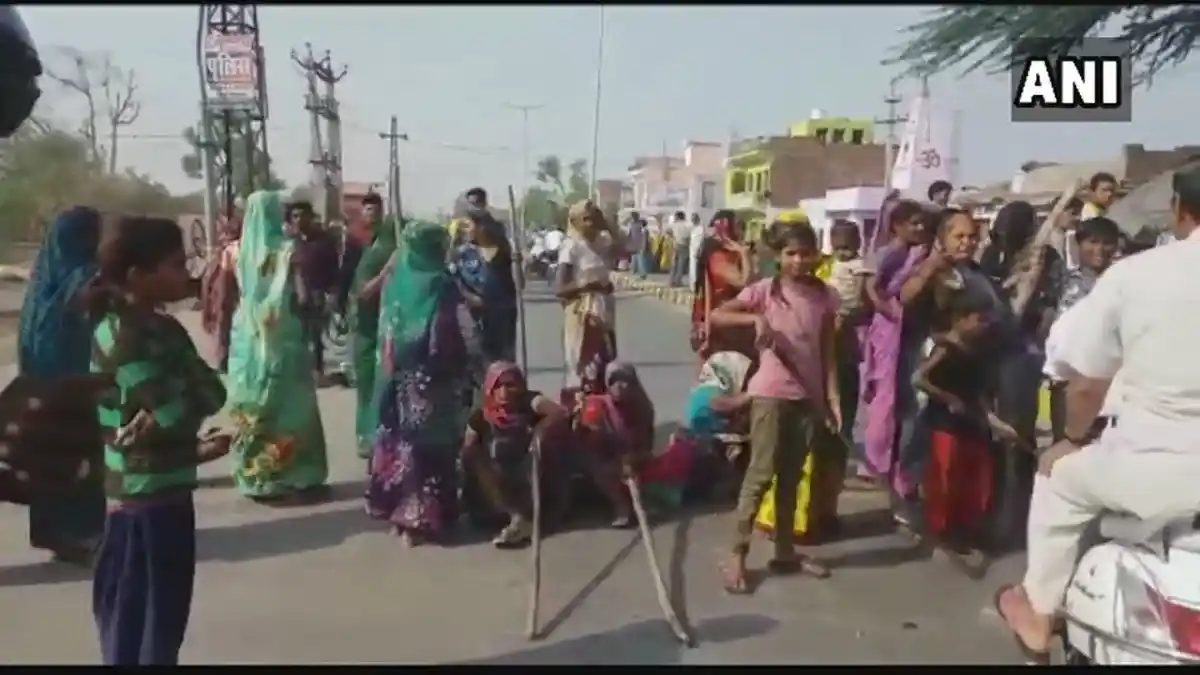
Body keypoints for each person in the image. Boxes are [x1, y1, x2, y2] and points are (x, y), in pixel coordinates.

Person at [994, 166, 1200, 662]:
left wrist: (1069, 439)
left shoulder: (1137, 275)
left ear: (1179, 212)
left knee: (1057, 477)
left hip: (1157, 472)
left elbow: (1086, 383)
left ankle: (1038, 611)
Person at [84, 215, 231, 665]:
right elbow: (174, 410)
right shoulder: (120, 335)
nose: (185, 272)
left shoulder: (163, 328)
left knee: (164, 622)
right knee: (136, 625)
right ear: (137, 276)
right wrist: (174, 412)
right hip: (138, 500)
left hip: (170, 488)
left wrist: (171, 409)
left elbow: (213, 392)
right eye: (173, 264)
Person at [711, 219, 840, 593]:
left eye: (806, 253)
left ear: (817, 254)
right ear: (778, 256)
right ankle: (736, 553)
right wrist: (755, 319)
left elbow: (827, 352)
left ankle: (784, 552)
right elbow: (718, 314)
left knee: (791, 477)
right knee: (760, 473)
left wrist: (831, 400)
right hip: (770, 394)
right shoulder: (766, 292)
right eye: (791, 253)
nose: (799, 261)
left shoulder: (825, 297)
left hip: (808, 397)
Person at [366, 221, 481, 546]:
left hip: (397, 378)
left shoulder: (394, 281)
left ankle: (400, 516)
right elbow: (467, 333)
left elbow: (385, 330)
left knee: (401, 445)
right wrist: (481, 367)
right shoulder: (442, 284)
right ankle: (426, 517)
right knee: (434, 448)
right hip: (437, 382)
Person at [226, 191, 329, 504]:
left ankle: (254, 474)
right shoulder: (287, 250)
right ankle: (297, 473)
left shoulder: (235, 251)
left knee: (254, 402)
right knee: (292, 407)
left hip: (246, 335)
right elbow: (301, 296)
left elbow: (229, 292)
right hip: (281, 336)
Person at [16, 206, 106, 564]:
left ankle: (53, 531)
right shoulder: (82, 275)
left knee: (48, 459)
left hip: (39, 383)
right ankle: (79, 534)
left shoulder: (42, 281)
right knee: (75, 455)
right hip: (71, 383)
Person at [975, 200, 1062, 549]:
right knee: (989, 433)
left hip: (1021, 353)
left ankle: (1013, 520)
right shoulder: (992, 255)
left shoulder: (1045, 257)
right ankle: (990, 512)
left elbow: (1049, 306)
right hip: (991, 349)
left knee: (1016, 436)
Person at [913, 292, 1018, 573]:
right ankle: (941, 533)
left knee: (973, 479)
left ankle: (965, 529)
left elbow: (980, 393)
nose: (985, 325)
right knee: (945, 479)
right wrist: (949, 399)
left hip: (973, 423)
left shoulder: (979, 350)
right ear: (960, 320)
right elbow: (919, 378)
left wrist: (994, 421)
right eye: (979, 319)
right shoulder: (946, 348)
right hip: (945, 424)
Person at [858, 199, 930, 494]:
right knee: (886, 398)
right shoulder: (889, 253)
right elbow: (872, 288)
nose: (920, 228)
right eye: (913, 223)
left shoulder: (919, 254)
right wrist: (890, 311)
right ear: (897, 226)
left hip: (908, 331)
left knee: (906, 401)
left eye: (921, 223)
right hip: (888, 331)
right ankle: (876, 461)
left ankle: (900, 465)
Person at [462, 361, 568, 547]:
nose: (505, 391)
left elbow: (559, 413)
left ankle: (525, 519)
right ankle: (516, 518)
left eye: (511, 385)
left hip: (530, 474)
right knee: (471, 455)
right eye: (498, 385)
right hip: (496, 482)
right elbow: (468, 447)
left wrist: (539, 433)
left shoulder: (529, 401)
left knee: (544, 445)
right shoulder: (481, 415)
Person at [1047, 216, 1121, 442]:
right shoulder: (1062, 280)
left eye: (1106, 242)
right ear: (1078, 245)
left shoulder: (1123, 283)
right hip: (1067, 381)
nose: (1100, 249)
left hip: (1107, 383)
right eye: (1092, 242)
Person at [576, 361, 664, 523]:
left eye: (625, 380)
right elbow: (590, 441)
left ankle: (642, 501)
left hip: (634, 457)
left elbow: (646, 443)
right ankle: (621, 505)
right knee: (598, 466)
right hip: (606, 458)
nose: (620, 385)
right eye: (614, 381)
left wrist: (633, 458)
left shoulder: (643, 408)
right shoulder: (598, 405)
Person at [555, 200, 622, 388]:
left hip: (604, 312)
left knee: (607, 365)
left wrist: (607, 225)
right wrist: (587, 285)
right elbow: (559, 289)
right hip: (582, 314)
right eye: (586, 219)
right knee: (584, 370)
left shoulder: (603, 242)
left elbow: (625, 250)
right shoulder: (571, 246)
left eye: (594, 218)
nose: (591, 223)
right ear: (575, 221)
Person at [350, 193, 398, 458]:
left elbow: (369, 289)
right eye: (366, 210)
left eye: (374, 210)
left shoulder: (388, 245)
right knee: (366, 382)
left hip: (383, 324)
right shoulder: (359, 242)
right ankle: (367, 436)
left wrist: (385, 273)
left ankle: (377, 436)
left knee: (380, 382)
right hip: (364, 324)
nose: (370, 214)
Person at [285, 200, 341, 387]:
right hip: (292, 297)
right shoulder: (289, 242)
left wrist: (332, 295)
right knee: (293, 335)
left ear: (310, 217)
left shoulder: (324, 241)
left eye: (302, 215)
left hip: (317, 295)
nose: (299, 219)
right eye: (295, 216)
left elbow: (334, 270)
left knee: (316, 336)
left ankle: (318, 372)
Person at [452, 209, 520, 363]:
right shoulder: (461, 254)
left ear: (481, 227)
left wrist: (518, 263)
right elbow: (454, 282)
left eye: (469, 226)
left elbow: (518, 284)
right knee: (480, 360)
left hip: (503, 315)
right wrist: (470, 297)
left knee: (504, 361)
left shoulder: (504, 253)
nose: (465, 231)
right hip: (473, 317)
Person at [691, 210, 755, 361]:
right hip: (726, 324)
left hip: (732, 321)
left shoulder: (726, 252)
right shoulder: (719, 257)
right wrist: (744, 255)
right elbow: (745, 283)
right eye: (739, 226)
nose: (743, 231)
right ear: (727, 228)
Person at [200, 212, 242, 373]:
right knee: (222, 341)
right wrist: (207, 313)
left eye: (230, 235)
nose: (225, 239)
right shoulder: (215, 261)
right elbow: (207, 289)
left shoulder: (237, 258)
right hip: (220, 310)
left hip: (234, 309)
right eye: (223, 235)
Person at [668, 211, 691, 287]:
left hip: (676, 245)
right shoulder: (687, 224)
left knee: (674, 264)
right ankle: (678, 281)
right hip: (684, 245)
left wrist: (673, 237)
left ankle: (671, 281)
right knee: (681, 265)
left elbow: (667, 231)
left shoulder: (674, 224)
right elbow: (689, 235)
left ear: (677, 217)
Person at [627, 212, 650, 279]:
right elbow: (630, 234)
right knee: (635, 259)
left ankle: (643, 274)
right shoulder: (632, 224)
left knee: (640, 259)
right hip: (634, 245)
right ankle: (634, 272)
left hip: (639, 245)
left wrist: (644, 246)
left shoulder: (641, 225)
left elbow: (644, 236)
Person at [687, 212, 706, 288]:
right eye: (692, 219)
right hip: (692, 250)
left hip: (697, 250)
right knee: (692, 268)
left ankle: (696, 286)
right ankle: (692, 286)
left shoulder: (701, 228)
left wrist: (699, 250)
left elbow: (701, 241)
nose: (692, 221)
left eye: (694, 219)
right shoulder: (693, 228)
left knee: (695, 269)